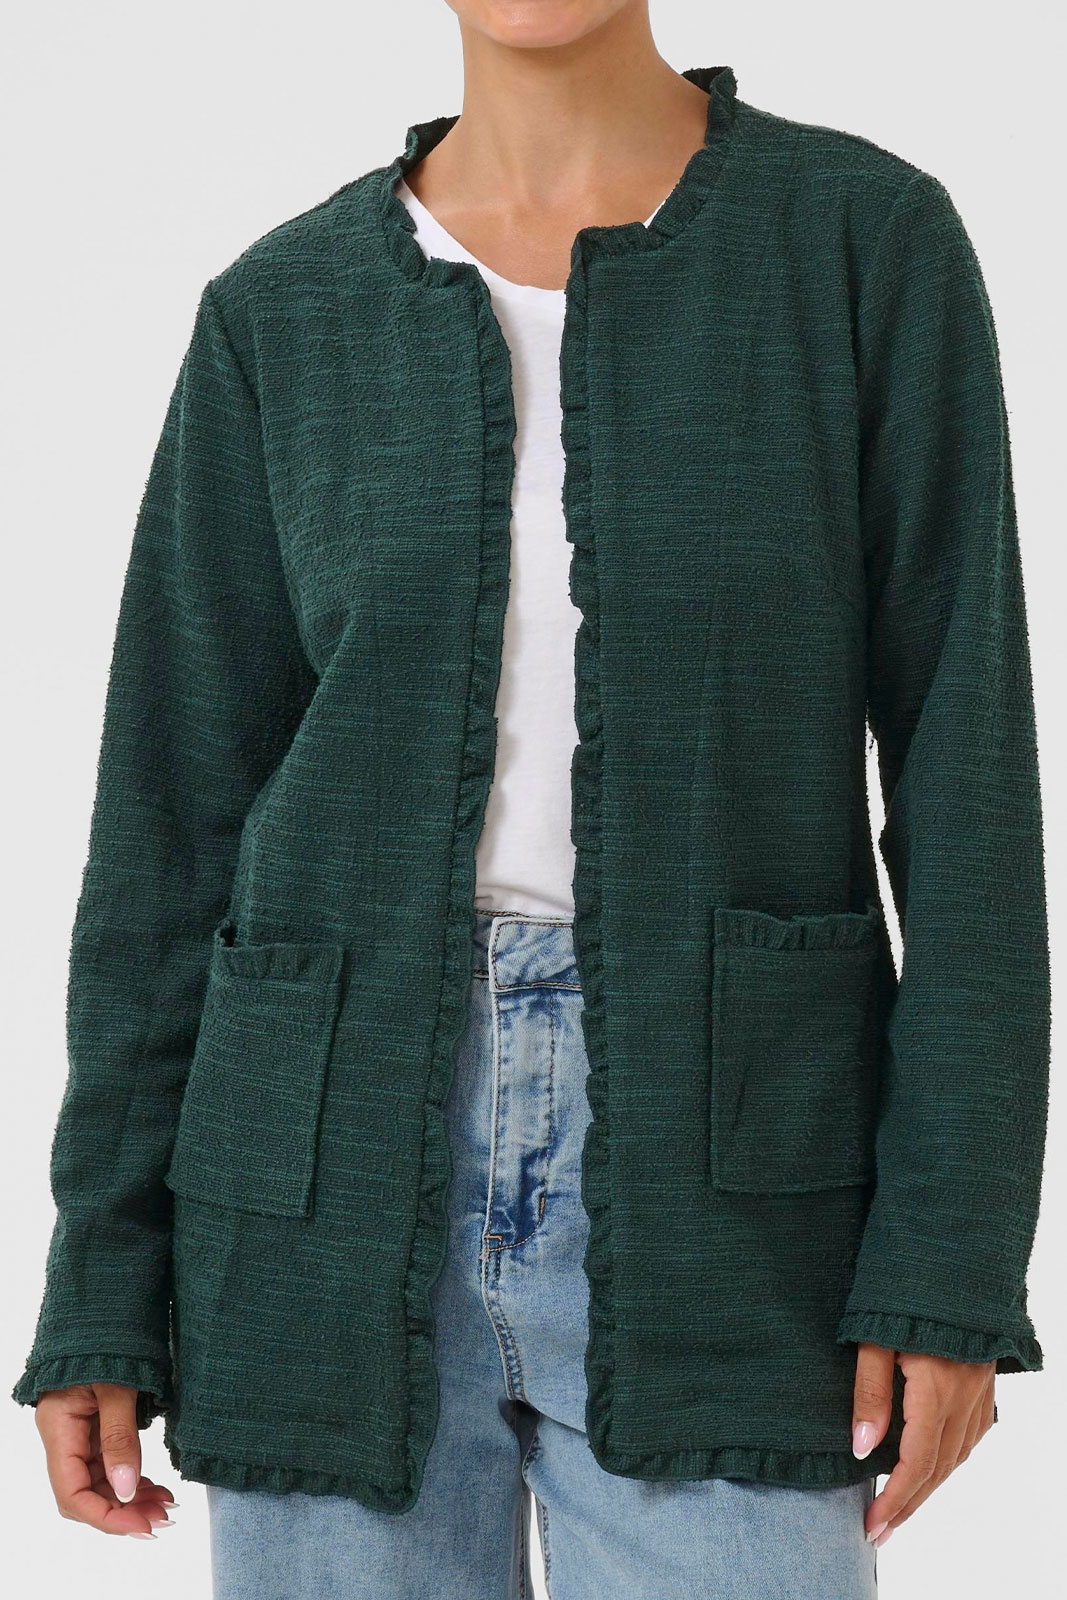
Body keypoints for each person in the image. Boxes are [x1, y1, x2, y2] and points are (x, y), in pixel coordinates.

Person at [14, 4, 1051, 1597]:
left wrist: (950, 1258)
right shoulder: (279, 311)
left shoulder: (860, 244)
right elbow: (168, 827)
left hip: (740, 1207)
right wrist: (102, 1273)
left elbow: (965, 782)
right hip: (316, 1198)